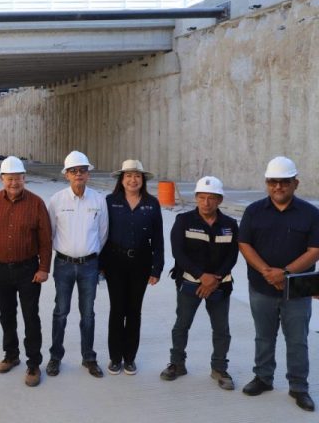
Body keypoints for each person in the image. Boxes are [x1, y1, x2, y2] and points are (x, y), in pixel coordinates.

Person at [239, 156, 319, 411]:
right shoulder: (253, 211)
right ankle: (263, 378)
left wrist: (284, 273)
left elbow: (315, 250)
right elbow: (244, 244)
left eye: (284, 182)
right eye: (273, 182)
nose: (278, 187)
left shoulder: (311, 213)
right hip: (261, 286)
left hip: (297, 288)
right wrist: (266, 271)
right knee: (264, 337)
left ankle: (299, 387)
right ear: (266, 183)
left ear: (295, 183)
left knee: (298, 340)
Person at [159, 176, 238, 391]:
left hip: (220, 286)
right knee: (182, 325)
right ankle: (177, 364)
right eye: (202, 197)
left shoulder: (230, 225)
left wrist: (215, 279)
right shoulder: (183, 221)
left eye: (211, 198)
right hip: (190, 284)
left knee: (221, 329)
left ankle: (219, 368)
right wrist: (201, 275)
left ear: (220, 200)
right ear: (195, 198)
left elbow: (232, 256)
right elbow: (178, 253)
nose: (206, 203)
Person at [0, 155, 52, 387]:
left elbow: (45, 239)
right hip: (1, 269)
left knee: (31, 316)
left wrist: (44, 268)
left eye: (18, 178)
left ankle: (33, 363)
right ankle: (11, 355)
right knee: (6, 315)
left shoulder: (36, 203)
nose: (14, 183)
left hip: (28, 269)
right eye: (9, 178)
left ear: (25, 178)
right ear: (2, 179)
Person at [46, 151, 108, 379]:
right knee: (60, 312)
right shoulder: (57, 201)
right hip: (63, 264)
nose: (78, 174)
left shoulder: (98, 200)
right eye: (73, 171)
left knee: (88, 314)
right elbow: (50, 233)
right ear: (66, 175)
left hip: (89, 266)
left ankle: (89, 357)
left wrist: (90, 256)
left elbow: (103, 234)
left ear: (88, 174)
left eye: (82, 170)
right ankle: (55, 357)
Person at [100, 160, 163, 375]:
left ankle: (129, 358)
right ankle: (115, 358)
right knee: (117, 310)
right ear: (122, 179)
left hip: (141, 263)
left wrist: (157, 268)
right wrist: (101, 264)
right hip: (115, 262)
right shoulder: (109, 202)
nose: (133, 180)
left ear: (142, 180)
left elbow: (158, 239)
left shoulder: (152, 203)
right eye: (128, 175)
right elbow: (102, 235)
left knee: (134, 311)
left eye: (137, 176)